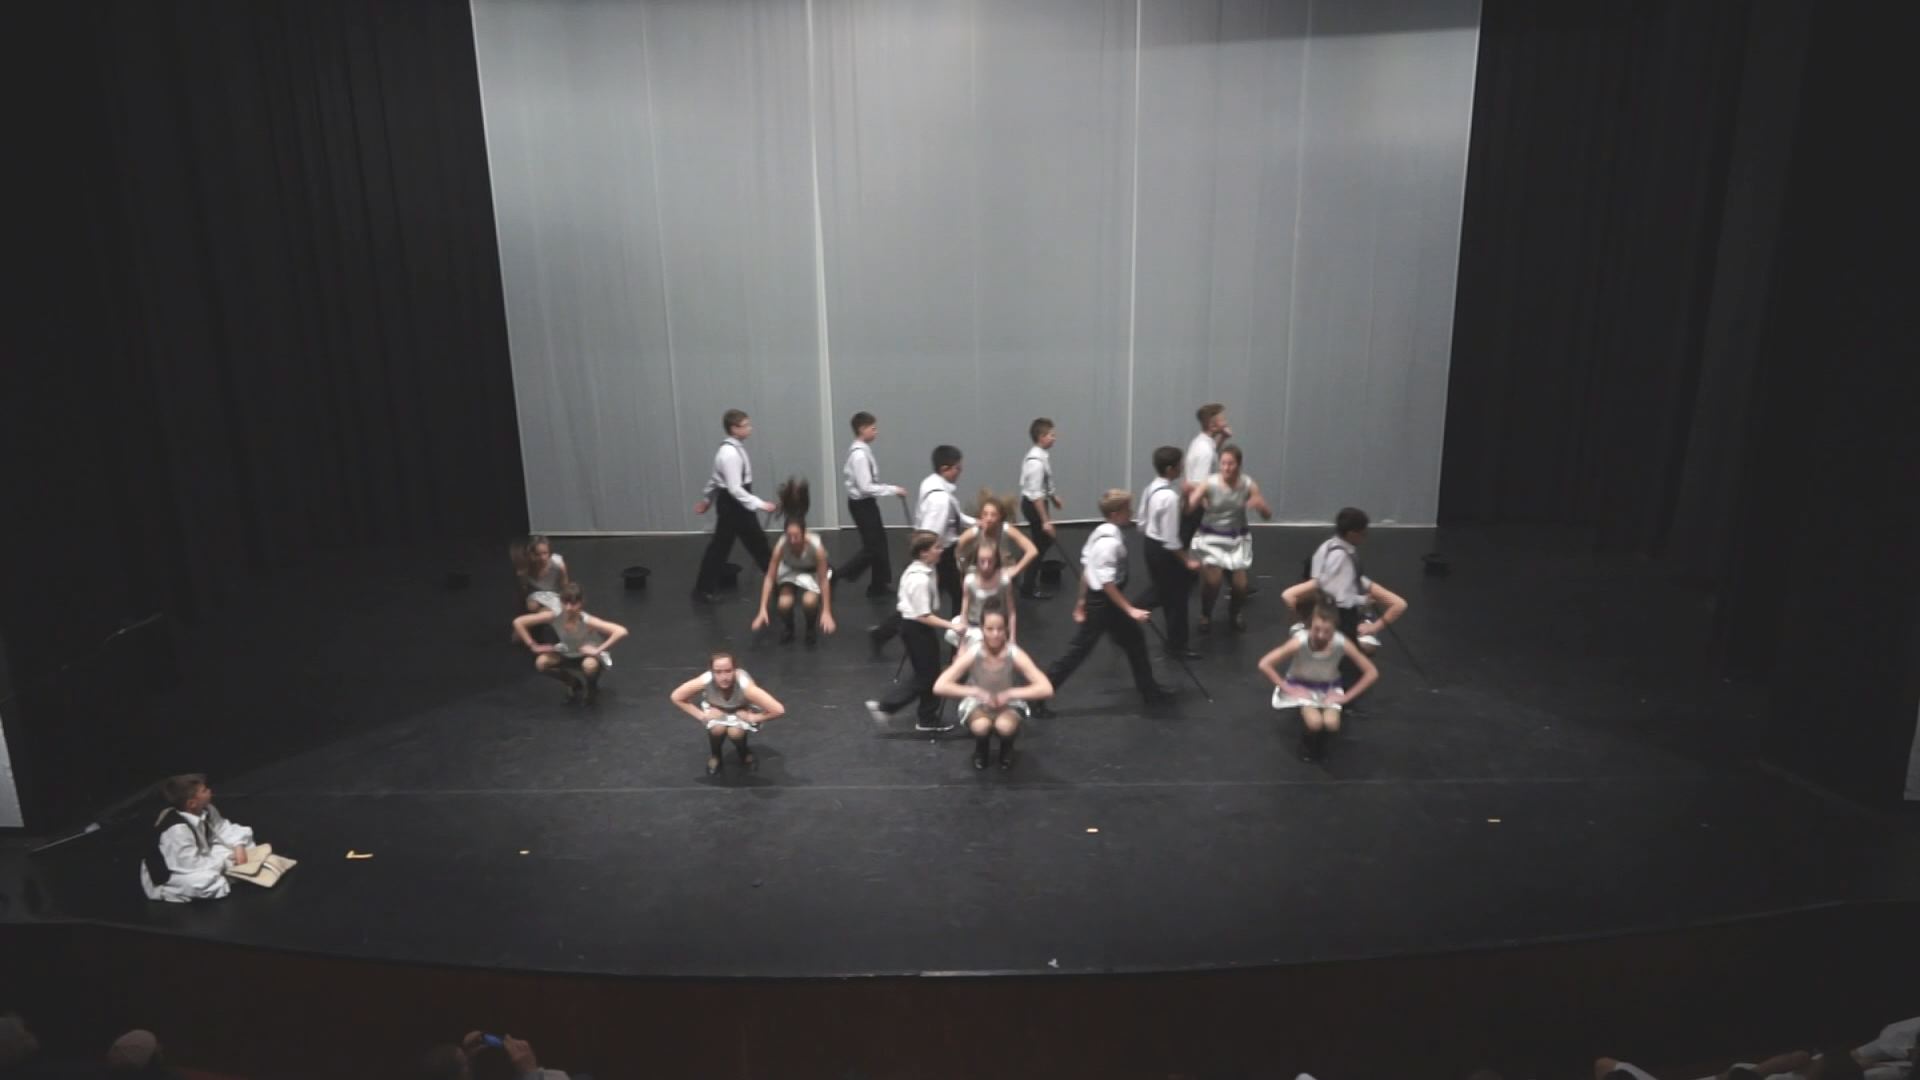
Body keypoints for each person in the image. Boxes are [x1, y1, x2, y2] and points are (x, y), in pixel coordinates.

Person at [1030, 490, 1175, 718]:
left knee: (1134, 641)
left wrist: (1081, 601)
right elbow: (1107, 584)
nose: (1131, 512)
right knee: (1078, 651)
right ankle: (1038, 695)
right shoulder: (1109, 544)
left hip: (1103, 603)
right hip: (1103, 605)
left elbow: (1088, 570)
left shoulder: (1100, 533)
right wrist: (1130, 609)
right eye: (1127, 509)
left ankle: (1150, 692)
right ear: (1116, 514)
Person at [934, 605, 1053, 770]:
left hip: (1008, 703)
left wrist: (1010, 693)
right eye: (990, 629)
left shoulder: (1014, 653)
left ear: (1006, 629)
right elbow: (940, 685)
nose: (995, 634)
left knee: (1004, 726)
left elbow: (1046, 688)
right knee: (981, 726)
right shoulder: (974, 652)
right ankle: (981, 748)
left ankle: (1007, 748)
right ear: (982, 629)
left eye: (1000, 629)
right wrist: (975, 692)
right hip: (978, 702)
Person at [1258, 602, 1379, 762]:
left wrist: (1347, 697)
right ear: (1310, 625)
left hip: (1329, 687)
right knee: (1315, 722)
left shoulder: (1341, 642)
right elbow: (1265, 664)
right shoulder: (1300, 641)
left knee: (1331, 723)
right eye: (1316, 629)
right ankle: (1308, 741)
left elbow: (1371, 672)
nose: (1321, 635)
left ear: (1335, 629)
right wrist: (1288, 688)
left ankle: (1321, 742)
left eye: (1327, 631)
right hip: (1302, 684)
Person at [1282, 507, 1409, 659]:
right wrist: (1305, 624)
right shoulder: (1317, 585)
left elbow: (1399, 604)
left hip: (1352, 628)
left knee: (1362, 647)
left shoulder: (1358, 582)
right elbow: (1289, 596)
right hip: (1326, 627)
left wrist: (1374, 627)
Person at [865, 532, 958, 732]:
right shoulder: (919, 580)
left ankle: (926, 716)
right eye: (937, 547)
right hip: (916, 628)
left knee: (929, 673)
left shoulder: (924, 569)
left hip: (914, 627)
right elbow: (922, 616)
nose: (941, 550)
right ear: (924, 553)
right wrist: (951, 625)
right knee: (926, 676)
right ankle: (889, 707)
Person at [1186, 444, 1273, 633]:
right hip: (1211, 537)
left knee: (1240, 586)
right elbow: (1189, 508)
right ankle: (1206, 614)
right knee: (1213, 583)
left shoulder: (1248, 484)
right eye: (1223, 463)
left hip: (1236, 539)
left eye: (1230, 464)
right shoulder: (1210, 483)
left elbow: (1267, 515)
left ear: (1239, 465)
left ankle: (1235, 613)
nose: (1226, 467)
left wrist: (1260, 505)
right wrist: (1188, 496)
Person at [692, 409, 777, 602]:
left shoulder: (733, 449)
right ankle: (779, 583)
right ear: (734, 429)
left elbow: (715, 479)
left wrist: (707, 500)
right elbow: (735, 489)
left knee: (724, 546)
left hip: (732, 504)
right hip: (735, 505)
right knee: (755, 544)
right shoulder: (730, 454)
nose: (750, 428)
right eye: (745, 425)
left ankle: (703, 588)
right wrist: (760, 504)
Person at [140, 773, 259, 903]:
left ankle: (229, 871)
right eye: (204, 790)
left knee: (245, 844)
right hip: (174, 870)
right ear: (192, 803)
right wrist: (224, 862)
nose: (209, 791)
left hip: (201, 854)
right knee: (206, 881)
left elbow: (222, 828)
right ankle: (167, 890)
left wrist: (238, 846)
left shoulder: (206, 809)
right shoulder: (177, 830)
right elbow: (189, 864)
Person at [670, 651, 786, 776]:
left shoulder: (746, 687)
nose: (724, 677)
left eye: (728, 671)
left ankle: (744, 753)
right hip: (716, 708)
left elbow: (778, 709)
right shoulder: (705, 680)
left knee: (735, 733)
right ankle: (716, 756)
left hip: (740, 709)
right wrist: (702, 716)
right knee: (717, 729)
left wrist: (753, 717)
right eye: (718, 672)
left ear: (735, 670)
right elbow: (676, 697)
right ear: (712, 672)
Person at [751, 478, 836, 645]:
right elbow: (769, 577)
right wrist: (762, 609)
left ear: (804, 534)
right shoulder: (781, 545)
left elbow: (823, 580)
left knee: (809, 602)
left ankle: (810, 628)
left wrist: (827, 611)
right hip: (790, 571)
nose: (792, 540)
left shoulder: (816, 547)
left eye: (796, 536)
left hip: (811, 573)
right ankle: (789, 628)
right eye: (789, 536)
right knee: (784, 604)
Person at [513, 583, 629, 705]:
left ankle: (591, 686)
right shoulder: (554, 616)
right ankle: (572, 682)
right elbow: (518, 622)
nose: (568, 608)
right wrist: (533, 646)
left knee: (589, 666)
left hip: (586, 655)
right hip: (567, 651)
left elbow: (621, 631)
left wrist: (598, 650)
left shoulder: (587, 620)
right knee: (541, 663)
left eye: (573, 604)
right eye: (565, 603)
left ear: (581, 603)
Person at [1138, 445, 1202, 660]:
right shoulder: (1169, 497)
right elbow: (1171, 539)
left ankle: (1126, 612)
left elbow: (1142, 522)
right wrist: (1187, 561)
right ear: (1170, 469)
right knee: (1176, 597)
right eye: (1179, 464)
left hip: (1150, 544)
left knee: (1163, 590)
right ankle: (1177, 645)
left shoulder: (1151, 489)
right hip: (1164, 551)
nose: (1182, 467)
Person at [837, 410, 908, 599]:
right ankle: (837, 575)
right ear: (862, 429)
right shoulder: (859, 455)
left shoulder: (862, 450)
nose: (876, 432)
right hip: (862, 505)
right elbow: (866, 487)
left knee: (879, 544)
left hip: (865, 504)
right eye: (873, 428)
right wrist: (893, 490)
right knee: (872, 548)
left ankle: (878, 585)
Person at [915, 445, 975, 615]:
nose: (960, 472)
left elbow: (954, 515)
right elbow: (931, 535)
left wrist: (976, 522)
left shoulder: (930, 482)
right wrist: (929, 560)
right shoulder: (940, 499)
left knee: (947, 593)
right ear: (945, 469)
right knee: (952, 595)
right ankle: (957, 629)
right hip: (941, 555)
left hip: (939, 554)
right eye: (958, 468)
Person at [954, 488, 1039, 586]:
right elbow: (954, 549)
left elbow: (1032, 550)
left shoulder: (1006, 529)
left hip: (1003, 574)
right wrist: (962, 568)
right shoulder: (975, 531)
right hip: (981, 576)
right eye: (985, 514)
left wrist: (1016, 570)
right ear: (981, 516)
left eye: (993, 515)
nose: (989, 518)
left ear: (1000, 517)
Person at [1018, 418, 1062, 598]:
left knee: (1043, 543)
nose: (1054, 438)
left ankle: (1022, 566)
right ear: (1041, 437)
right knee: (1040, 547)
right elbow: (1036, 495)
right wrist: (1045, 521)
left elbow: (1044, 484)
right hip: (1034, 505)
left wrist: (1053, 496)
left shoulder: (1041, 455)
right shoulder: (1036, 462)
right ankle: (1028, 587)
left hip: (1036, 503)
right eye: (1051, 435)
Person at [947, 543, 1017, 651]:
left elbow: (1011, 611)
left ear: (996, 560)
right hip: (973, 626)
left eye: (990, 561)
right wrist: (962, 644)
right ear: (977, 560)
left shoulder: (1004, 581)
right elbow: (964, 612)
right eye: (982, 561)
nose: (986, 566)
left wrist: (1012, 638)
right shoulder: (970, 580)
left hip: (995, 629)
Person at [1181, 404, 1232, 547]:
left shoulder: (1202, 441)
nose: (1226, 423)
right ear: (1212, 425)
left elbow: (1213, 453)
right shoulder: (1205, 450)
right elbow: (1198, 485)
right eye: (1223, 420)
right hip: (1198, 509)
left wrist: (1223, 438)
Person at [511, 535, 570, 616]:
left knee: (555, 609)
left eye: (545, 553)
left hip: (555, 594)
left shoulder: (558, 564)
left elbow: (565, 585)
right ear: (531, 554)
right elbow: (523, 588)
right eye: (537, 554)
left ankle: (543, 616)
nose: (542, 558)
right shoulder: (525, 568)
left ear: (550, 552)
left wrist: (567, 601)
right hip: (536, 594)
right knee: (532, 606)